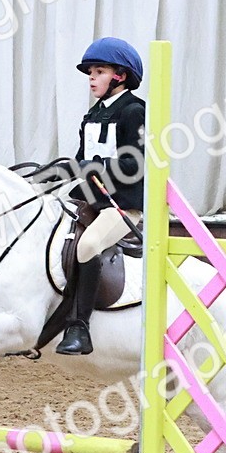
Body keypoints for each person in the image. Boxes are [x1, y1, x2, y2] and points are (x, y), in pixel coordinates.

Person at [56, 36, 145, 356]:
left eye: (99, 72)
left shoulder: (134, 111)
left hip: (121, 205)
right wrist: (54, 174)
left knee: (89, 245)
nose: (91, 78)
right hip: (90, 200)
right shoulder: (92, 115)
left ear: (119, 76)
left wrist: (93, 166)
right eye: (90, 73)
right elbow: (82, 161)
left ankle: (80, 327)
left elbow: (135, 164)